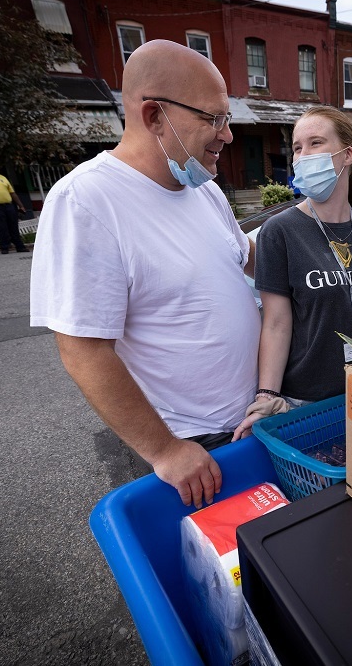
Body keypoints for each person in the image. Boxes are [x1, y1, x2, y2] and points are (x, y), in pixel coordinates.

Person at [29, 40, 260, 509]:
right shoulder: (86, 201)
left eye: (227, 119)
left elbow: (249, 256)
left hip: (249, 422)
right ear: (154, 115)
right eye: (213, 119)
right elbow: (82, 349)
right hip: (192, 445)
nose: (227, 135)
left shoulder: (202, 189)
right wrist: (165, 451)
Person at [233, 107, 352, 439]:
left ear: (348, 154)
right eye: (298, 147)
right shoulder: (280, 232)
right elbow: (275, 323)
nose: (303, 156)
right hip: (306, 403)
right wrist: (267, 397)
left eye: (315, 143)